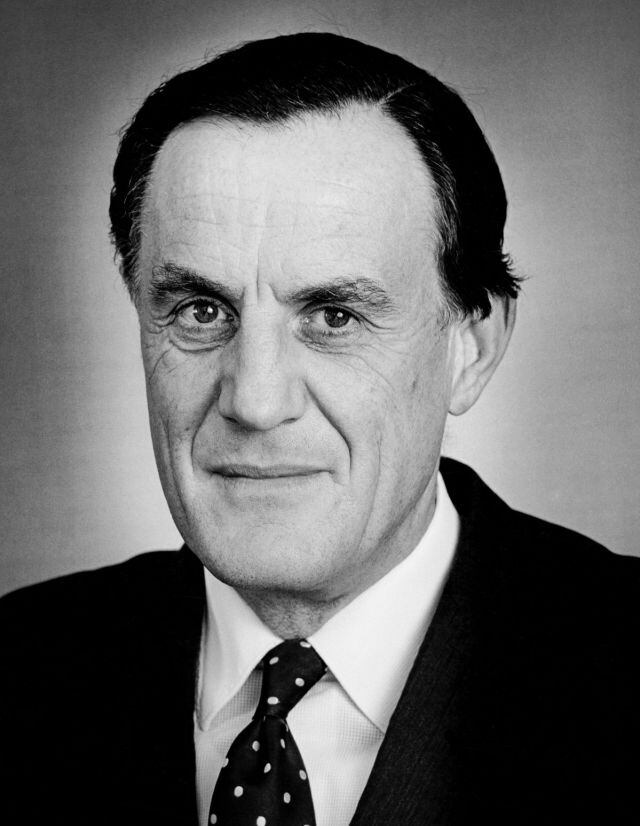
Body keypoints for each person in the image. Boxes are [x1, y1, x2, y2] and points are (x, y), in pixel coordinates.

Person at [1, 32, 638, 826]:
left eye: (333, 316)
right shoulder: (20, 671)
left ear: (471, 347)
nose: (255, 401)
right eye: (201, 311)